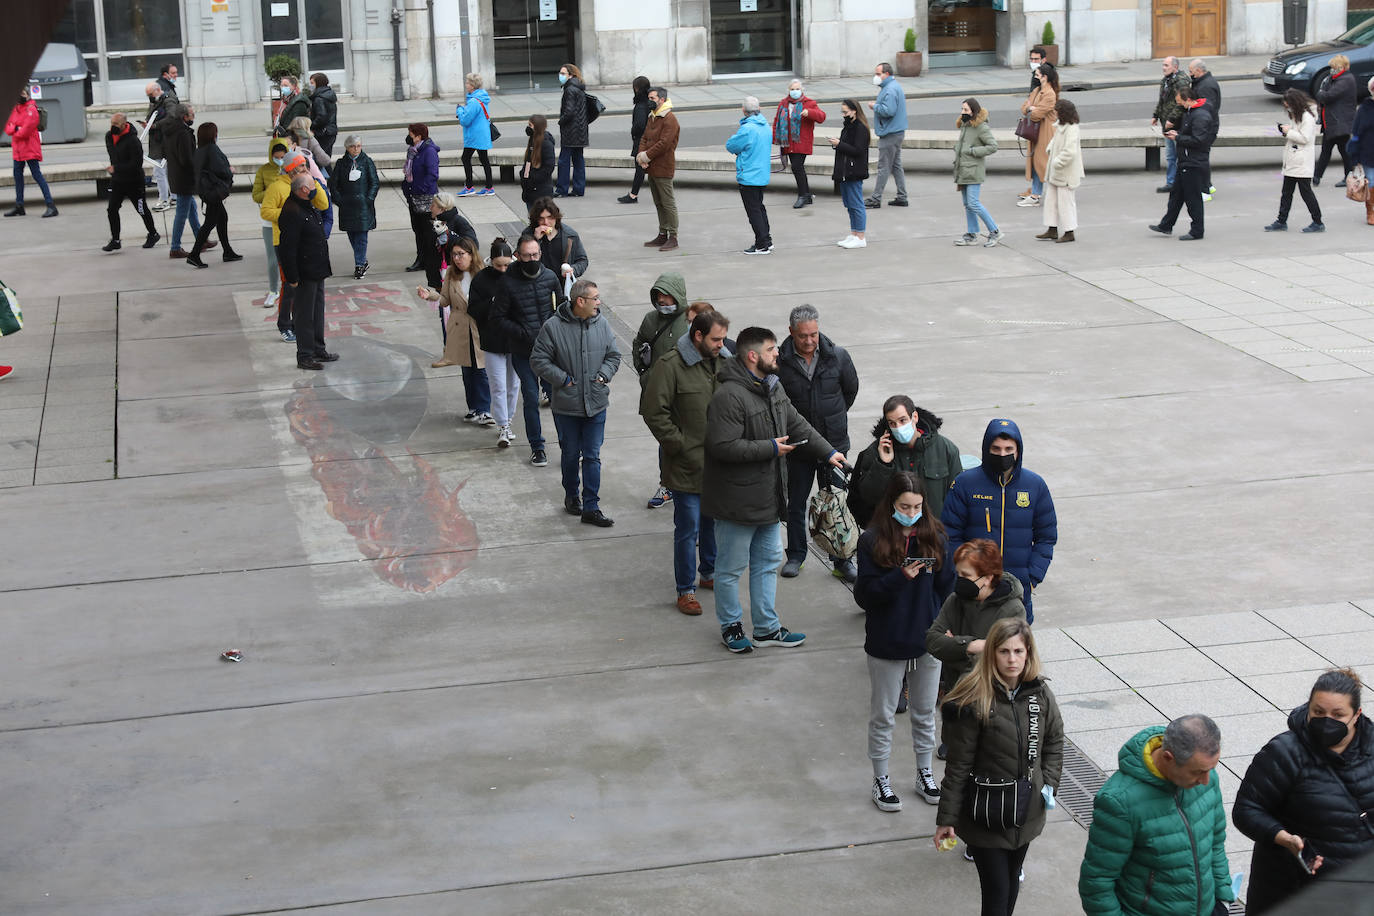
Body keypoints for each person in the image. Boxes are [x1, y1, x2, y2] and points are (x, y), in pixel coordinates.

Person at [703, 326, 845, 654]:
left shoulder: (772, 387)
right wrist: (769, 448)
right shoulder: (729, 396)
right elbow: (722, 446)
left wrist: (828, 451)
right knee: (730, 568)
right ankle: (731, 626)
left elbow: (796, 421)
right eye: (771, 350)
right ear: (753, 356)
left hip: (768, 498)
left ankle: (766, 628)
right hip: (736, 503)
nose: (777, 354)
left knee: (767, 561)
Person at [935, 618, 1064, 916]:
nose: (1012, 659)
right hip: (985, 817)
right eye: (1004, 651)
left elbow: (1054, 742)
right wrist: (946, 818)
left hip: (1026, 812)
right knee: (996, 895)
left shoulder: (1040, 694)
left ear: (1029, 653)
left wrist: (1048, 786)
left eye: (1019, 651)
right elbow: (958, 766)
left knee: (1010, 883)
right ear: (991, 653)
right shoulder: (973, 700)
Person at [1233, 668, 1374, 914]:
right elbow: (1246, 810)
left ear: (1356, 715)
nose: (1326, 720)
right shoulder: (1284, 752)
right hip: (1294, 891)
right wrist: (1283, 838)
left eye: (1337, 714)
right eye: (1318, 712)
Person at [856, 471, 955, 812]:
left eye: (916, 507)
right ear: (891, 505)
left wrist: (945, 625)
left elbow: (947, 588)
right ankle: (881, 778)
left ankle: (924, 773)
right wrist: (900, 576)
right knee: (883, 715)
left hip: (927, 640)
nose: (911, 513)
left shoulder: (935, 536)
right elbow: (866, 596)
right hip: (887, 641)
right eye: (904, 506)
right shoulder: (872, 540)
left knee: (926, 713)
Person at [1080, 715, 1236, 916]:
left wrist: (1222, 899)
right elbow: (1096, 882)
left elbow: (1215, 843)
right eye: (1197, 772)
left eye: (1211, 769)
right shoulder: (1120, 802)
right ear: (1168, 758)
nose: (1206, 780)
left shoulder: (1206, 779)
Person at [640, 308, 731, 615]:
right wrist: (678, 445)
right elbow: (654, 412)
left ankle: (709, 572)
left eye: (723, 338)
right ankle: (685, 590)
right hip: (685, 466)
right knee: (688, 527)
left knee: (712, 523)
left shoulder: (725, 363)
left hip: (718, 466)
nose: (721, 344)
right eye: (716, 339)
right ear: (698, 336)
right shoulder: (670, 366)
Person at [942, 419, 1056, 623]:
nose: (1002, 454)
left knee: (1013, 651)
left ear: (1018, 451)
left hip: (1017, 592)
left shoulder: (1035, 486)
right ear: (987, 449)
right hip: (974, 592)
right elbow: (950, 534)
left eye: (1008, 449)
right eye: (996, 448)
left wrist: (1032, 578)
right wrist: (965, 576)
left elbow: (1046, 537)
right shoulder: (964, 484)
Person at [777, 304, 860, 581]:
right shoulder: (780, 362)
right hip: (798, 447)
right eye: (803, 336)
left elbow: (850, 391)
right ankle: (797, 555)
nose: (810, 341)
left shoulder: (838, 356)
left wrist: (832, 418)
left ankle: (841, 559)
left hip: (834, 445)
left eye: (814, 334)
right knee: (796, 503)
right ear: (791, 332)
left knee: (836, 504)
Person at [532, 278, 621, 526]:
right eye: (595, 298)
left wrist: (603, 375)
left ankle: (591, 506)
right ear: (580, 301)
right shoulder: (552, 327)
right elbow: (538, 360)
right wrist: (563, 380)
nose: (599, 303)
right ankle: (572, 495)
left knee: (592, 455)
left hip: (596, 403)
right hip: (567, 407)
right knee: (571, 454)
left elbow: (614, 355)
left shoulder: (601, 324)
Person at [494, 233, 563, 468]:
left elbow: (561, 307)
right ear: (518, 256)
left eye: (535, 254)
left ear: (540, 254)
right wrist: (522, 332)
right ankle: (537, 447)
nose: (532, 258)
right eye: (526, 255)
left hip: (549, 351)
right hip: (523, 351)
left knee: (558, 398)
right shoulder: (507, 283)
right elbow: (498, 318)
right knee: (531, 398)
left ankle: (568, 444)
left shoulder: (550, 277)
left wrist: (552, 329)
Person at [850, 396, 962, 528]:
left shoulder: (946, 449)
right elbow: (867, 498)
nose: (898, 427)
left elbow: (956, 499)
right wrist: (884, 464)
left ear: (914, 417)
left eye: (902, 420)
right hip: (891, 536)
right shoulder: (875, 451)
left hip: (932, 534)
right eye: (892, 423)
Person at [419, 236, 492, 426]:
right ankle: (473, 408)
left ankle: (485, 409)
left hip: (479, 326)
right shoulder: (451, 273)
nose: (457, 258)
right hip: (460, 326)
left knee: (481, 369)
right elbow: (445, 300)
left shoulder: (483, 272)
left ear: (471, 254)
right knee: (467, 369)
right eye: (454, 255)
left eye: (461, 254)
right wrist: (430, 295)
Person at [632, 272, 690, 510]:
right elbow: (638, 345)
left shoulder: (691, 321)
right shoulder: (650, 320)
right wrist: (645, 374)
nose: (663, 301)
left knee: (689, 442)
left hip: (686, 397)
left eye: (667, 296)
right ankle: (667, 484)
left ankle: (687, 484)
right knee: (666, 440)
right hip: (659, 395)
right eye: (659, 296)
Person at [260, 151, 327, 342]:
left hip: (307, 245)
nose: (303, 170)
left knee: (306, 290)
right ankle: (284, 324)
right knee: (290, 286)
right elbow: (266, 211)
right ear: (290, 171)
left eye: (305, 167)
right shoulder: (277, 187)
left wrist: (313, 182)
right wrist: (290, 214)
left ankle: (300, 324)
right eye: (300, 168)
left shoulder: (308, 182)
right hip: (284, 242)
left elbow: (322, 205)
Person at [277, 173, 337, 371]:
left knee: (317, 312)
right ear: (303, 189)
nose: (315, 188)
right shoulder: (292, 211)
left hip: (317, 269)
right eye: (312, 185)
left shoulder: (306, 205)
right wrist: (292, 277)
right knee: (304, 316)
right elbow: (288, 248)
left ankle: (318, 349)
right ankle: (305, 355)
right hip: (304, 272)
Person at [468, 238, 520, 448]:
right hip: (492, 340)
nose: (503, 269)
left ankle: (508, 420)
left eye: (507, 265)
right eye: (498, 265)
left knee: (514, 384)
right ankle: (503, 425)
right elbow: (473, 310)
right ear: (491, 262)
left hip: (514, 340)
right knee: (498, 385)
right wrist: (492, 302)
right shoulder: (481, 279)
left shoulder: (518, 276)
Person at [1150, 84, 1217, 241]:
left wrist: (1177, 137)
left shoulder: (1200, 116)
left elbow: (1199, 140)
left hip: (1193, 163)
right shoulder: (1191, 112)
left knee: (1193, 199)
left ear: (1188, 100)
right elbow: (1189, 133)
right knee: (1176, 195)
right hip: (1185, 161)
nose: (1178, 104)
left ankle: (1197, 231)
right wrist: (1177, 132)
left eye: (1180, 101)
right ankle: (1166, 225)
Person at [1267, 89, 1324, 233]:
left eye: (1288, 105)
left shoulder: (1307, 118)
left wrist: (1288, 132)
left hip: (1301, 161)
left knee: (1306, 193)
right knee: (1286, 193)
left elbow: (1305, 138)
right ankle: (1281, 220)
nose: (1287, 108)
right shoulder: (1297, 115)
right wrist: (1286, 130)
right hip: (1293, 161)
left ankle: (1318, 221)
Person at [185, 122, 241, 268]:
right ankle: (194, 254)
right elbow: (221, 170)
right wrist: (230, 170)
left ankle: (227, 251)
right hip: (214, 191)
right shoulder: (212, 149)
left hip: (207, 191)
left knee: (222, 218)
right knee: (210, 222)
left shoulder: (200, 150)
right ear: (212, 134)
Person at [101, 113, 159, 252]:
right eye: (111, 123)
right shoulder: (109, 137)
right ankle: (115, 240)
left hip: (134, 182)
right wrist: (115, 169)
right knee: (112, 209)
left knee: (141, 209)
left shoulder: (133, 141)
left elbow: (136, 164)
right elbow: (114, 157)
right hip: (118, 181)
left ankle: (153, 234)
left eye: (115, 124)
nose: (112, 127)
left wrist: (117, 168)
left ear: (123, 124)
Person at [725, 97, 773, 255]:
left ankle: (761, 244)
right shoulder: (765, 125)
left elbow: (731, 145)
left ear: (744, 110)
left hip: (749, 174)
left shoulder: (747, 129)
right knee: (760, 207)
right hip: (762, 173)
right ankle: (767, 240)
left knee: (754, 211)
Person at [637, 86, 682, 251]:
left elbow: (664, 144)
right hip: (652, 165)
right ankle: (663, 233)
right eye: (649, 97)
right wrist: (641, 155)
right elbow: (644, 137)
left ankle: (673, 236)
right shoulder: (652, 116)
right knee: (658, 203)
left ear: (662, 100)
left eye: (653, 98)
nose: (650, 101)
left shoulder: (669, 118)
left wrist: (646, 156)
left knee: (668, 203)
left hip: (663, 166)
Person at [952, 98, 1001, 247]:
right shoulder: (965, 125)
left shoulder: (981, 127)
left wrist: (974, 151)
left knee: (973, 203)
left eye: (966, 110)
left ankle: (995, 231)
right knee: (968, 204)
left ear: (974, 111)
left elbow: (993, 146)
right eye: (962, 109)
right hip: (963, 170)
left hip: (973, 171)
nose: (962, 112)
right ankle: (972, 234)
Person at [330, 135, 379, 280]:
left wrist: (368, 199)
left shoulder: (367, 162)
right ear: (347, 148)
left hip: (363, 206)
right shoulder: (341, 163)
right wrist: (339, 200)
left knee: (361, 236)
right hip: (347, 205)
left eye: (358, 146)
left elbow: (374, 182)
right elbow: (334, 184)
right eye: (352, 146)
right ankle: (362, 259)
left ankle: (359, 264)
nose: (356, 149)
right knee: (352, 235)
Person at [4, 87, 57, 218]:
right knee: (17, 177)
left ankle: (51, 206)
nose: (20, 95)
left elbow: (25, 132)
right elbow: (7, 127)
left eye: (23, 93)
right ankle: (19, 206)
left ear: (28, 95)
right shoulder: (15, 109)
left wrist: (15, 128)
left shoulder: (31, 110)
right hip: (18, 150)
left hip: (29, 149)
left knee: (37, 175)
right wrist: (17, 128)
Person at [774, 79, 827, 209]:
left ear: (802, 90)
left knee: (797, 167)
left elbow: (821, 117)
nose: (795, 92)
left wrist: (810, 113)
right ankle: (807, 195)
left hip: (801, 142)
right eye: (792, 89)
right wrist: (775, 137)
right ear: (789, 90)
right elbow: (777, 121)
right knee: (798, 168)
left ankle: (802, 195)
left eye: (797, 89)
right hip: (788, 143)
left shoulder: (809, 103)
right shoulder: (783, 103)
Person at [163, 103, 206, 258]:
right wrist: (197, 173)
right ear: (184, 117)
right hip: (184, 179)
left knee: (191, 209)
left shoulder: (171, 131)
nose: (193, 117)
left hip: (176, 176)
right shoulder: (183, 133)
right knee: (182, 213)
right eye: (192, 115)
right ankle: (175, 247)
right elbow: (187, 159)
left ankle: (201, 239)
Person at [1039, 98, 1084, 243]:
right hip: (1056, 172)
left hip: (1065, 173)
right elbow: (1055, 140)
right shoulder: (1061, 126)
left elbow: (1069, 152)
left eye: (1057, 111)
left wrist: (1057, 162)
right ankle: (1052, 229)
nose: (1055, 114)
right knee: (1051, 201)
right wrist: (1050, 148)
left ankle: (1069, 232)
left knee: (1066, 203)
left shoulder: (1072, 129)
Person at [252, 141, 290, 307]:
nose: (280, 160)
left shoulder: (292, 169)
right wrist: (273, 191)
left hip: (290, 219)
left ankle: (290, 288)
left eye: (283, 157)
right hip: (270, 222)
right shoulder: (263, 170)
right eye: (276, 158)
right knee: (273, 259)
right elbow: (256, 195)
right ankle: (274, 290)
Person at [829, 98, 870, 249]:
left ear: (854, 111)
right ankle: (854, 234)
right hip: (846, 171)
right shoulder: (849, 126)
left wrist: (839, 144)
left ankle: (860, 236)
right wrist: (839, 144)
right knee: (849, 204)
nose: (843, 114)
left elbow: (858, 150)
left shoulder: (860, 128)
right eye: (842, 112)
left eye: (845, 112)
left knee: (856, 204)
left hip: (854, 171)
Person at [866, 63, 908, 209]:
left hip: (890, 133)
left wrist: (874, 106)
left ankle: (876, 198)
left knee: (883, 166)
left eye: (878, 74)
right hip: (896, 132)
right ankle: (902, 196)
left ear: (887, 74)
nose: (876, 77)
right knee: (896, 165)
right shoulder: (893, 86)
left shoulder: (889, 90)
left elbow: (888, 111)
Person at [1017, 61, 1058, 208]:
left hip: (1045, 134)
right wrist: (1030, 108)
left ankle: (1038, 195)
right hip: (1036, 133)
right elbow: (1024, 107)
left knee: (1043, 164)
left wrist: (1031, 109)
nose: (1035, 76)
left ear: (1044, 77)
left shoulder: (1049, 94)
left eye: (1037, 74)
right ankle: (1035, 195)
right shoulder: (1037, 91)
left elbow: (1037, 115)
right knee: (1037, 164)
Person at [402, 123, 440, 273]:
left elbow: (433, 175)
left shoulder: (429, 151)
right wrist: (406, 188)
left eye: (411, 134)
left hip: (425, 198)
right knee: (417, 229)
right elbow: (408, 172)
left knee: (427, 231)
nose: (408, 137)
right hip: (413, 196)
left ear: (418, 136)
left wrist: (419, 190)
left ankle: (428, 260)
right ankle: (421, 258)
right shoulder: (412, 151)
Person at [527, 197, 589, 288]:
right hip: (537, 285)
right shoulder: (529, 234)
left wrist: (573, 270)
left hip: (561, 286)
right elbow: (519, 259)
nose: (546, 222)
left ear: (556, 217)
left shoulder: (570, 235)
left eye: (550, 218)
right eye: (541, 219)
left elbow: (582, 260)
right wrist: (535, 240)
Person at [1314, 56, 1356, 187]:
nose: (1331, 70)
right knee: (1327, 151)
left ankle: (1347, 177)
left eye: (1334, 68)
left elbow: (1328, 96)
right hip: (1332, 124)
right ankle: (1317, 176)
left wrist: (1321, 93)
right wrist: (1322, 93)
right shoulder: (1335, 79)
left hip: (1340, 124)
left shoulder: (1345, 81)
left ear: (1341, 68)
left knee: (1343, 152)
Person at [1151, 56, 1191, 193]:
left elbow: (1181, 104)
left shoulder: (1181, 81)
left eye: (1166, 65)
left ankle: (1182, 183)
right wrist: (1156, 115)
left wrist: (1171, 120)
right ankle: (1171, 183)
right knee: (1170, 156)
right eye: (1163, 65)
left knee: (1179, 156)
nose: (1163, 68)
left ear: (1175, 67)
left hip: (1177, 125)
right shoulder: (1166, 80)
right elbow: (1162, 100)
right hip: (1166, 124)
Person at [425, 191, 478, 291]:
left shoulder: (459, 222)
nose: (430, 208)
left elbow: (473, 245)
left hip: (454, 277)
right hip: (438, 277)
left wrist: (450, 238)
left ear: (442, 209)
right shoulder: (433, 222)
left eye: (433, 205)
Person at [455, 73, 495, 197]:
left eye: (467, 83)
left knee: (465, 158)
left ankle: (469, 186)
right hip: (482, 134)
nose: (466, 85)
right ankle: (489, 187)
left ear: (472, 85)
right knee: (484, 160)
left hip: (474, 135)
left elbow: (465, 120)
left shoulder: (473, 101)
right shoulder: (482, 97)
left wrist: (459, 110)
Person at [140, 80, 176, 211]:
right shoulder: (157, 102)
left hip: (163, 141)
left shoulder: (167, 101)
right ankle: (173, 197)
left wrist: (154, 125)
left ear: (156, 90)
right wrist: (148, 123)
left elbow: (172, 118)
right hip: (159, 141)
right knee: (164, 170)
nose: (149, 97)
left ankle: (164, 199)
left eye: (150, 94)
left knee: (159, 171)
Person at [1188, 59, 1221, 197]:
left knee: (1200, 159)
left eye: (1191, 71)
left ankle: (1204, 191)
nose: (1190, 74)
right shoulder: (1203, 82)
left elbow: (1205, 111)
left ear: (1199, 70)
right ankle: (1207, 185)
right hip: (1207, 127)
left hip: (1205, 129)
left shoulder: (1205, 87)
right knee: (1202, 157)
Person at [554, 63, 588, 198]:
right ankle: (579, 189)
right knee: (578, 160)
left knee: (564, 161)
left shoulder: (569, 90)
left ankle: (561, 189)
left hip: (570, 131)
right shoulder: (579, 88)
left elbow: (569, 112)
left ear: (571, 75)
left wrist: (560, 121)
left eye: (563, 74)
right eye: (560, 73)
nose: (560, 76)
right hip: (580, 131)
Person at [1346, 76, 1374, 225]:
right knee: (1371, 183)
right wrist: (1354, 157)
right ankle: (1371, 212)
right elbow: (1356, 135)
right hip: (1369, 154)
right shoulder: (1364, 110)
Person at [620, 76, 652, 204]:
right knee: (646, 168)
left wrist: (633, 132)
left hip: (641, 142)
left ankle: (633, 195)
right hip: (648, 140)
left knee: (640, 168)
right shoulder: (649, 102)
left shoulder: (640, 105)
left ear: (636, 88)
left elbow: (639, 126)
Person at [521, 114, 557, 205]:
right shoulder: (532, 140)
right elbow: (528, 162)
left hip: (540, 191)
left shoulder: (546, 144)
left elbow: (548, 167)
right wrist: (524, 176)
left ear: (537, 127)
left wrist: (532, 179)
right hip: (530, 190)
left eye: (530, 125)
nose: (528, 128)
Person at [308, 72, 338, 156]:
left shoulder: (319, 98)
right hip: (330, 132)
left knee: (320, 160)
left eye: (312, 83)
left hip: (322, 133)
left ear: (318, 83)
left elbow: (321, 117)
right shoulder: (329, 95)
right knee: (326, 159)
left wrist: (310, 126)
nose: (311, 86)